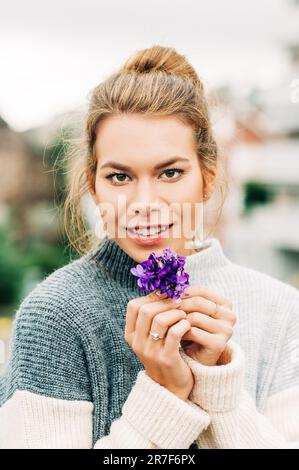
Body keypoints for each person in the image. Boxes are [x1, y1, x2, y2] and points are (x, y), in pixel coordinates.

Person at [0, 45, 298, 449]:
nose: (144, 201)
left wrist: (217, 387)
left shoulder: (280, 311)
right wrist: (165, 391)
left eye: (170, 173)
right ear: (93, 184)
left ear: (208, 177)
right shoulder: (54, 316)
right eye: (120, 177)